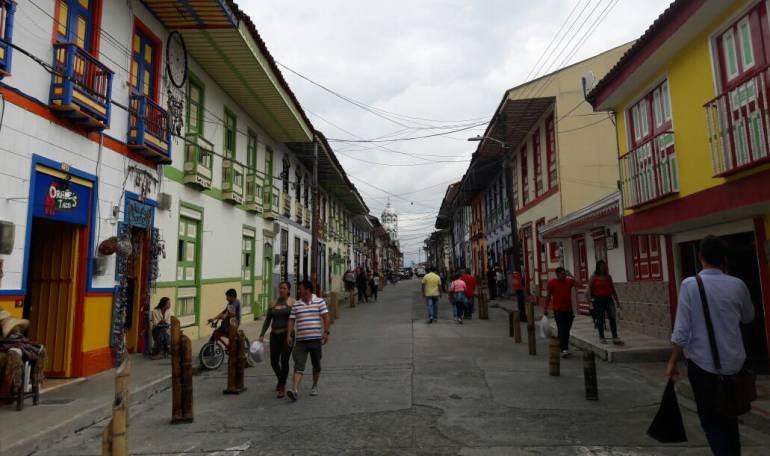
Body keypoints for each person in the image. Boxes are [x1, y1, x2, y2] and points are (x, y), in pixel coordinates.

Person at [666, 236, 754, 455]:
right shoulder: (737, 284)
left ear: (700, 256)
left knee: (711, 422)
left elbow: (682, 331)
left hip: (703, 366)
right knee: (730, 419)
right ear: (723, 258)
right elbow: (748, 317)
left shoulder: (690, 284)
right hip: (735, 364)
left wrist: (672, 361)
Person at [286, 280, 330, 401]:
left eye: (300, 288)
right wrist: (289, 334)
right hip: (301, 341)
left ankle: (315, 385)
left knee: (316, 364)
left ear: (307, 290)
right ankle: (295, 390)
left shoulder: (320, 302)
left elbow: (326, 317)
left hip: (315, 340)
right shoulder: (296, 304)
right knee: (299, 365)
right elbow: (291, 320)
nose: (298, 290)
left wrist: (326, 332)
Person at [259, 282, 295, 398]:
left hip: (287, 335)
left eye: (284, 288)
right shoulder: (273, 303)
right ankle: (281, 379)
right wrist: (262, 334)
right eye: (280, 288)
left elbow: (298, 317)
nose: (282, 290)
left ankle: (282, 386)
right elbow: (267, 320)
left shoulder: (292, 303)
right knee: (274, 361)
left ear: (289, 290)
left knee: (284, 360)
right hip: (274, 335)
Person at [544, 267, 578, 358]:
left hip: (569, 310)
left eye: (565, 274)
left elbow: (579, 285)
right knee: (562, 329)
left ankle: (562, 345)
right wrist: (545, 308)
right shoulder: (551, 283)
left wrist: (571, 276)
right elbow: (548, 296)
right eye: (562, 274)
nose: (564, 276)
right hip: (558, 310)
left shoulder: (569, 281)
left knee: (566, 330)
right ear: (557, 274)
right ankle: (564, 348)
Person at [588, 260, 624, 345]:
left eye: (604, 266)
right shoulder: (594, 277)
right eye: (601, 267)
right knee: (600, 319)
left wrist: (617, 301)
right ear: (598, 267)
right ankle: (601, 337)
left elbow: (612, 289)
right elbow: (590, 288)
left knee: (612, 317)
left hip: (608, 299)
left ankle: (615, 336)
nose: (603, 268)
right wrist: (590, 300)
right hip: (598, 299)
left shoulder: (608, 277)